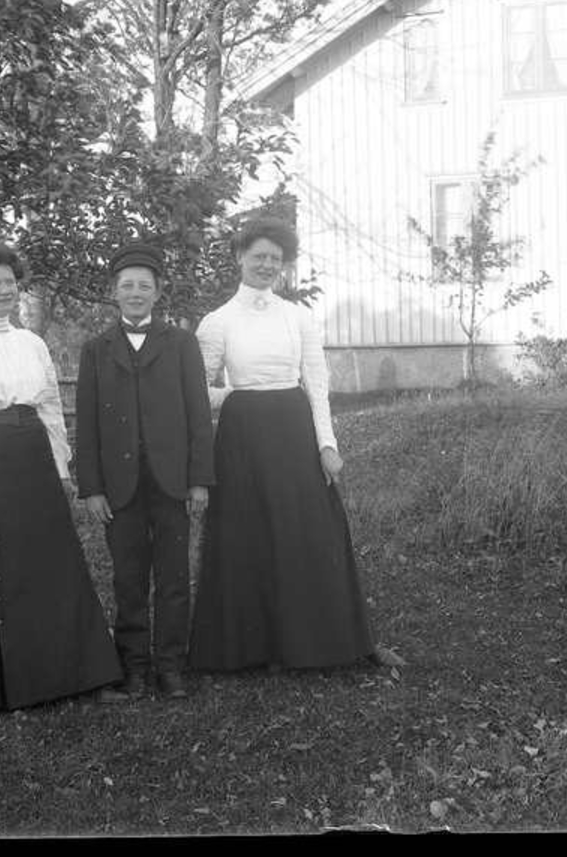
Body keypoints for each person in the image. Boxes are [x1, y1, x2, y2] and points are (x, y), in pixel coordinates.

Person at [188, 217, 406, 675]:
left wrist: (326, 444)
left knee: (309, 532)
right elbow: (196, 391)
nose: (267, 265)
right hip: (242, 437)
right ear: (239, 258)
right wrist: (237, 395)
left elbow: (317, 384)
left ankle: (325, 643)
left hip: (293, 430)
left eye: (275, 258)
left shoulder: (298, 317)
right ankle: (254, 648)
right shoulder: (217, 322)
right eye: (258, 256)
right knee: (248, 535)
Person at [0, 243, 126, 712]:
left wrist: (61, 468)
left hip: (36, 462)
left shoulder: (32, 344)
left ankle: (78, 672)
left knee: (55, 567)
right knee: (2, 573)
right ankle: (14, 683)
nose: (4, 291)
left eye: (10, 283)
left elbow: (50, 409)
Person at [75, 241, 215, 700]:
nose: (135, 293)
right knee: (128, 577)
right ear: (114, 292)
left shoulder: (181, 344)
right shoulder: (96, 350)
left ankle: (171, 665)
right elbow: (88, 424)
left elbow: (199, 415)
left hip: (172, 482)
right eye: (127, 286)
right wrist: (92, 488)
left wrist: (198, 480)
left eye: (144, 286)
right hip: (119, 487)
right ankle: (133, 666)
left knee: (173, 577)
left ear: (157, 292)